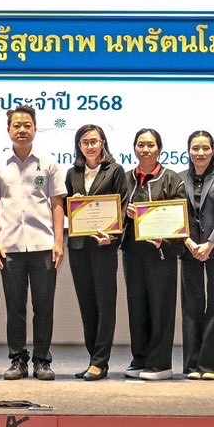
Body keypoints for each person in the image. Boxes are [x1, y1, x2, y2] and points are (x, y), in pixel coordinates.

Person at [0, 105, 66, 381]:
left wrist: (59, 241)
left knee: (44, 306)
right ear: (8, 130)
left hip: (44, 246)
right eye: (16, 125)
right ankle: (18, 359)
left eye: (27, 125)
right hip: (10, 247)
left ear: (35, 129)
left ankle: (42, 360)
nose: (22, 130)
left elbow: (57, 204)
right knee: (15, 307)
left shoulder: (49, 163)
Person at [65, 124, 127, 380]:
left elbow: (122, 207)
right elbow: (66, 208)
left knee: (105, 304)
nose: (90, 146)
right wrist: (75, 205)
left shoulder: (115, 171)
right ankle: (94, 359)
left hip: (104, 247)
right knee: (87, 304)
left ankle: (101, 360)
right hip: (79, 247)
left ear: (103, 143)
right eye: (85, 142)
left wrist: (112, 237)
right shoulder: (72, 173)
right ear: (78, 146)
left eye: (94, 141)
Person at [121, 128, 183, 380]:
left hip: (161, 252)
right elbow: (114, 210)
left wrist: (164, 240)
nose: (145, 150)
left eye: (150, 145)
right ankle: (140, 359)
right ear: (134, 148)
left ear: (159, 149)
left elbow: (181, 216)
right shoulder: (125, 178)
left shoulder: (172, 179)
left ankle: (160, 363)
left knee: (161, 306)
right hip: (133, 251)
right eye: (140, 145)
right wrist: (125, 213)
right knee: (137, 306)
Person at [179, 131, 214, 379]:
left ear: (213, 150)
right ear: (188, 151)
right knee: (192, 305)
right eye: (195, 148)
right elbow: (176, 214)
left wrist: (210, 243)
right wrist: (189, 242)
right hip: (189, 248)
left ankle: (210, 365)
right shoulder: (179, 178)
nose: (200, 153)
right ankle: (192, 364)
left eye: (205, 148)